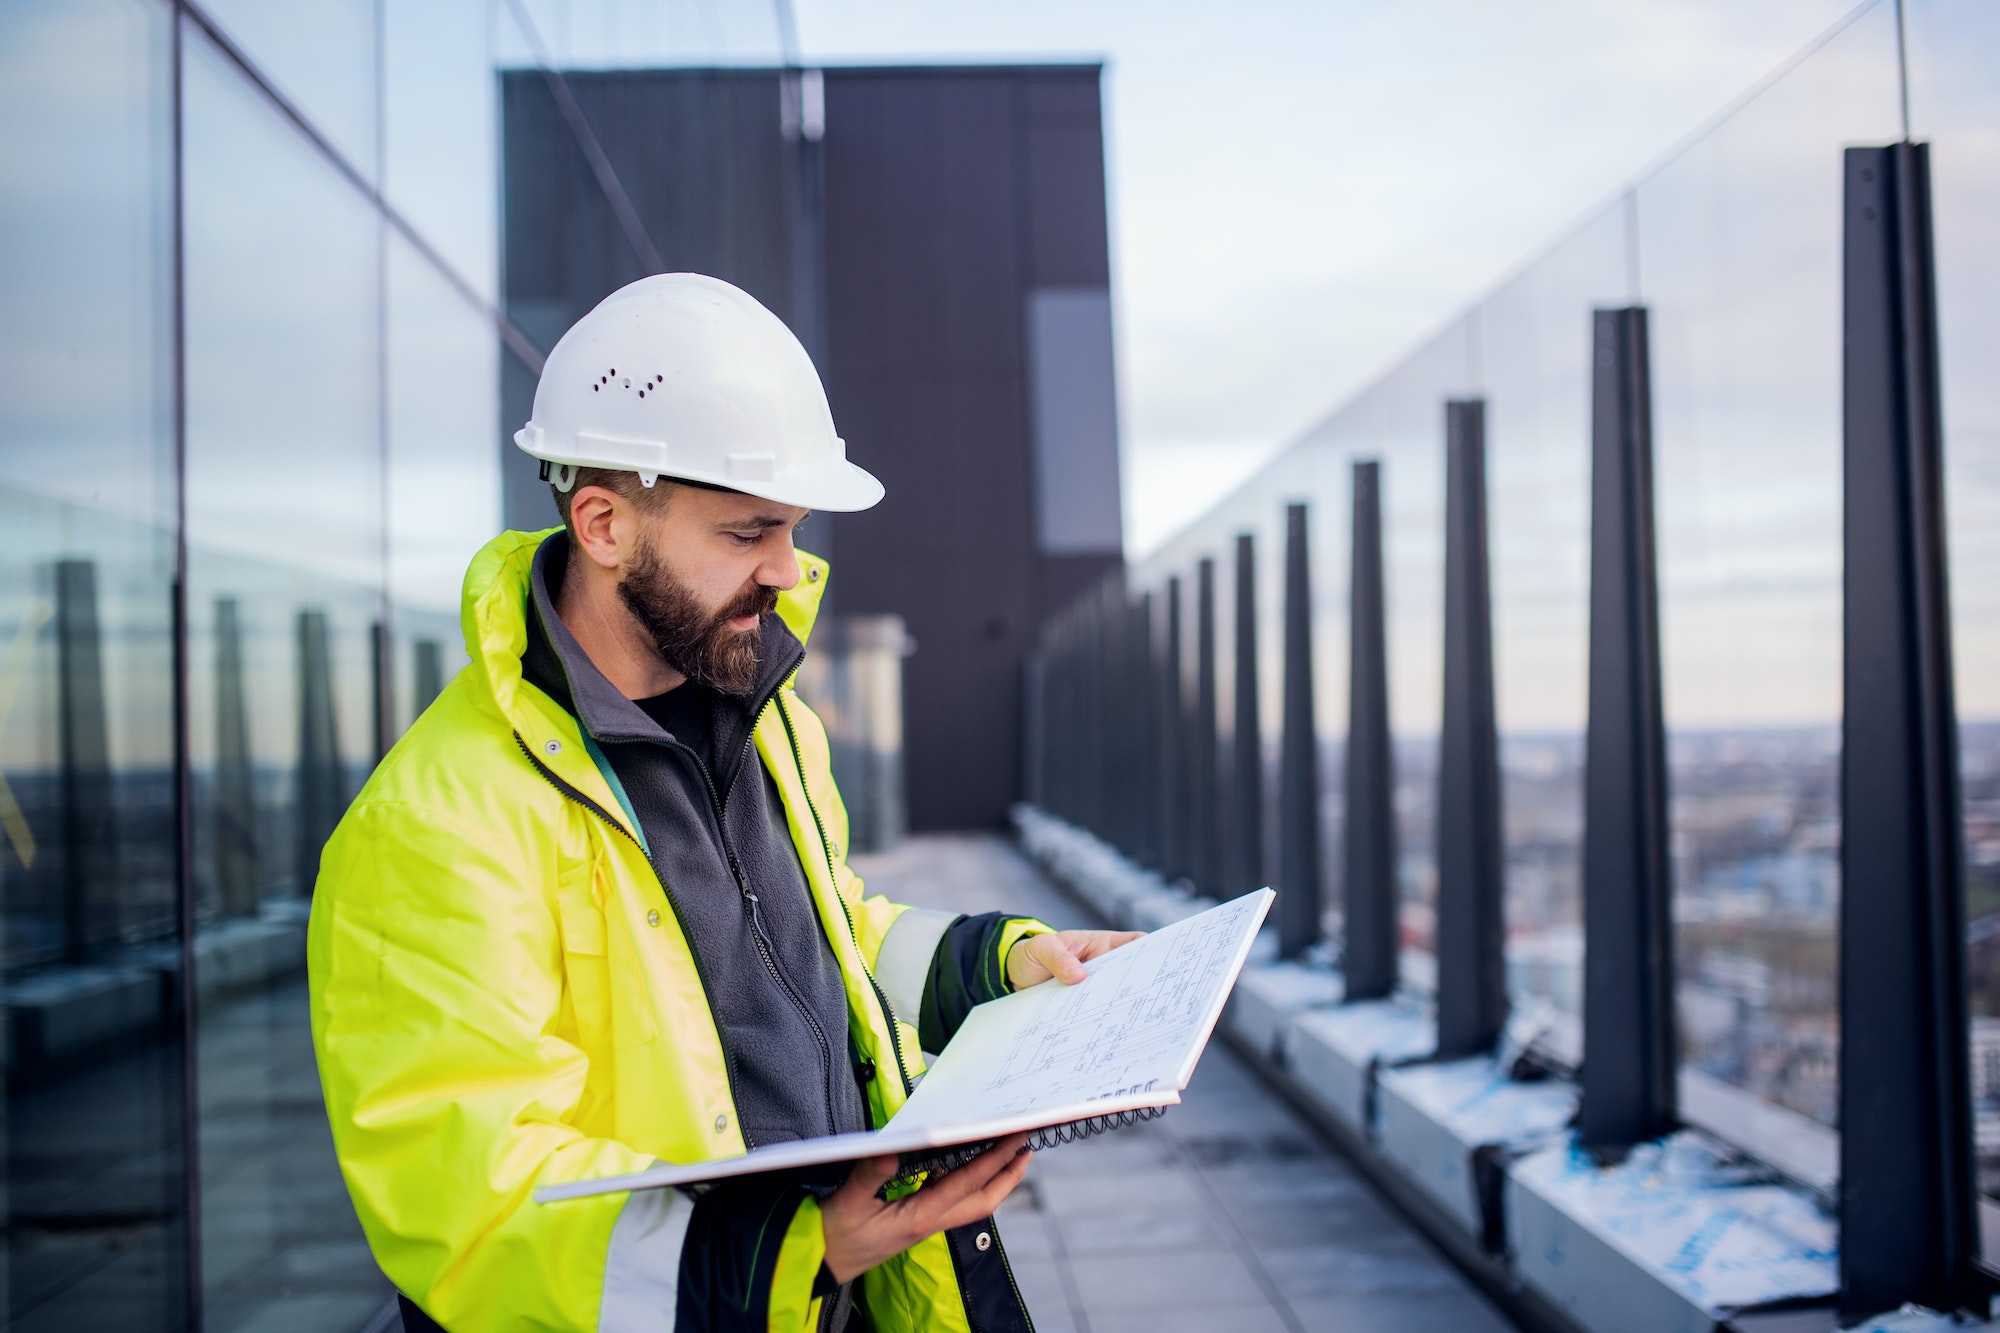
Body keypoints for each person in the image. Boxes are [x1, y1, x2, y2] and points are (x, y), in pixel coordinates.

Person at [308, 273, 1139, 1333]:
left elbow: (830, 936)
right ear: (603, 523)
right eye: (748, 534)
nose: (788, 572)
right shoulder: (432, 826)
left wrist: (1004, 961)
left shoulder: (764, 713)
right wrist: (801, 1252)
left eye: (788, 530)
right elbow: (473, 1203)